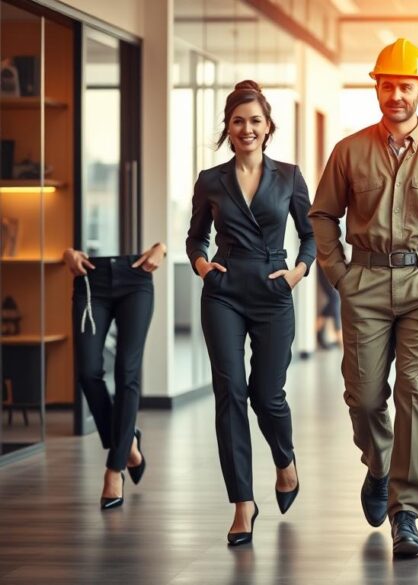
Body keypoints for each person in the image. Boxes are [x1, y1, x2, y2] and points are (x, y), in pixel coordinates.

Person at [309, 38, 418, 557]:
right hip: (363, 282)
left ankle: (406, 511)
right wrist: (338, 272)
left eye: (405, 85)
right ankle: (381, 466)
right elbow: (323, 215)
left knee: (415, 395)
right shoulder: (349, 150)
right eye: (387, 85)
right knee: (364, 398)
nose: (396, 94)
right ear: (378, 88)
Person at [185, 80, 310, 546]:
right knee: (230, 392)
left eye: (255, 120)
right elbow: (195, 237)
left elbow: (313, 232)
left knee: (266, 394)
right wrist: (202, 267)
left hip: (274, 291)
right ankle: (242, 502)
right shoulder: (210, 180)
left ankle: (285, 460)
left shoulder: (290, 176)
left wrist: (298, 271)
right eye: (238, 120)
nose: (247, 128)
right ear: (228, 127)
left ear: (267, 125)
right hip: (223, 292)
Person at [66, 242, 165, 509]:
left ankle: (114, 469)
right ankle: (127, 442)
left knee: (127, 372)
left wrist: (163, 247)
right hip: (90, 278)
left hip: (136, 276)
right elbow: (67, 242)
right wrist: (67, 253)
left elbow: (197, 229)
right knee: (88, 371)